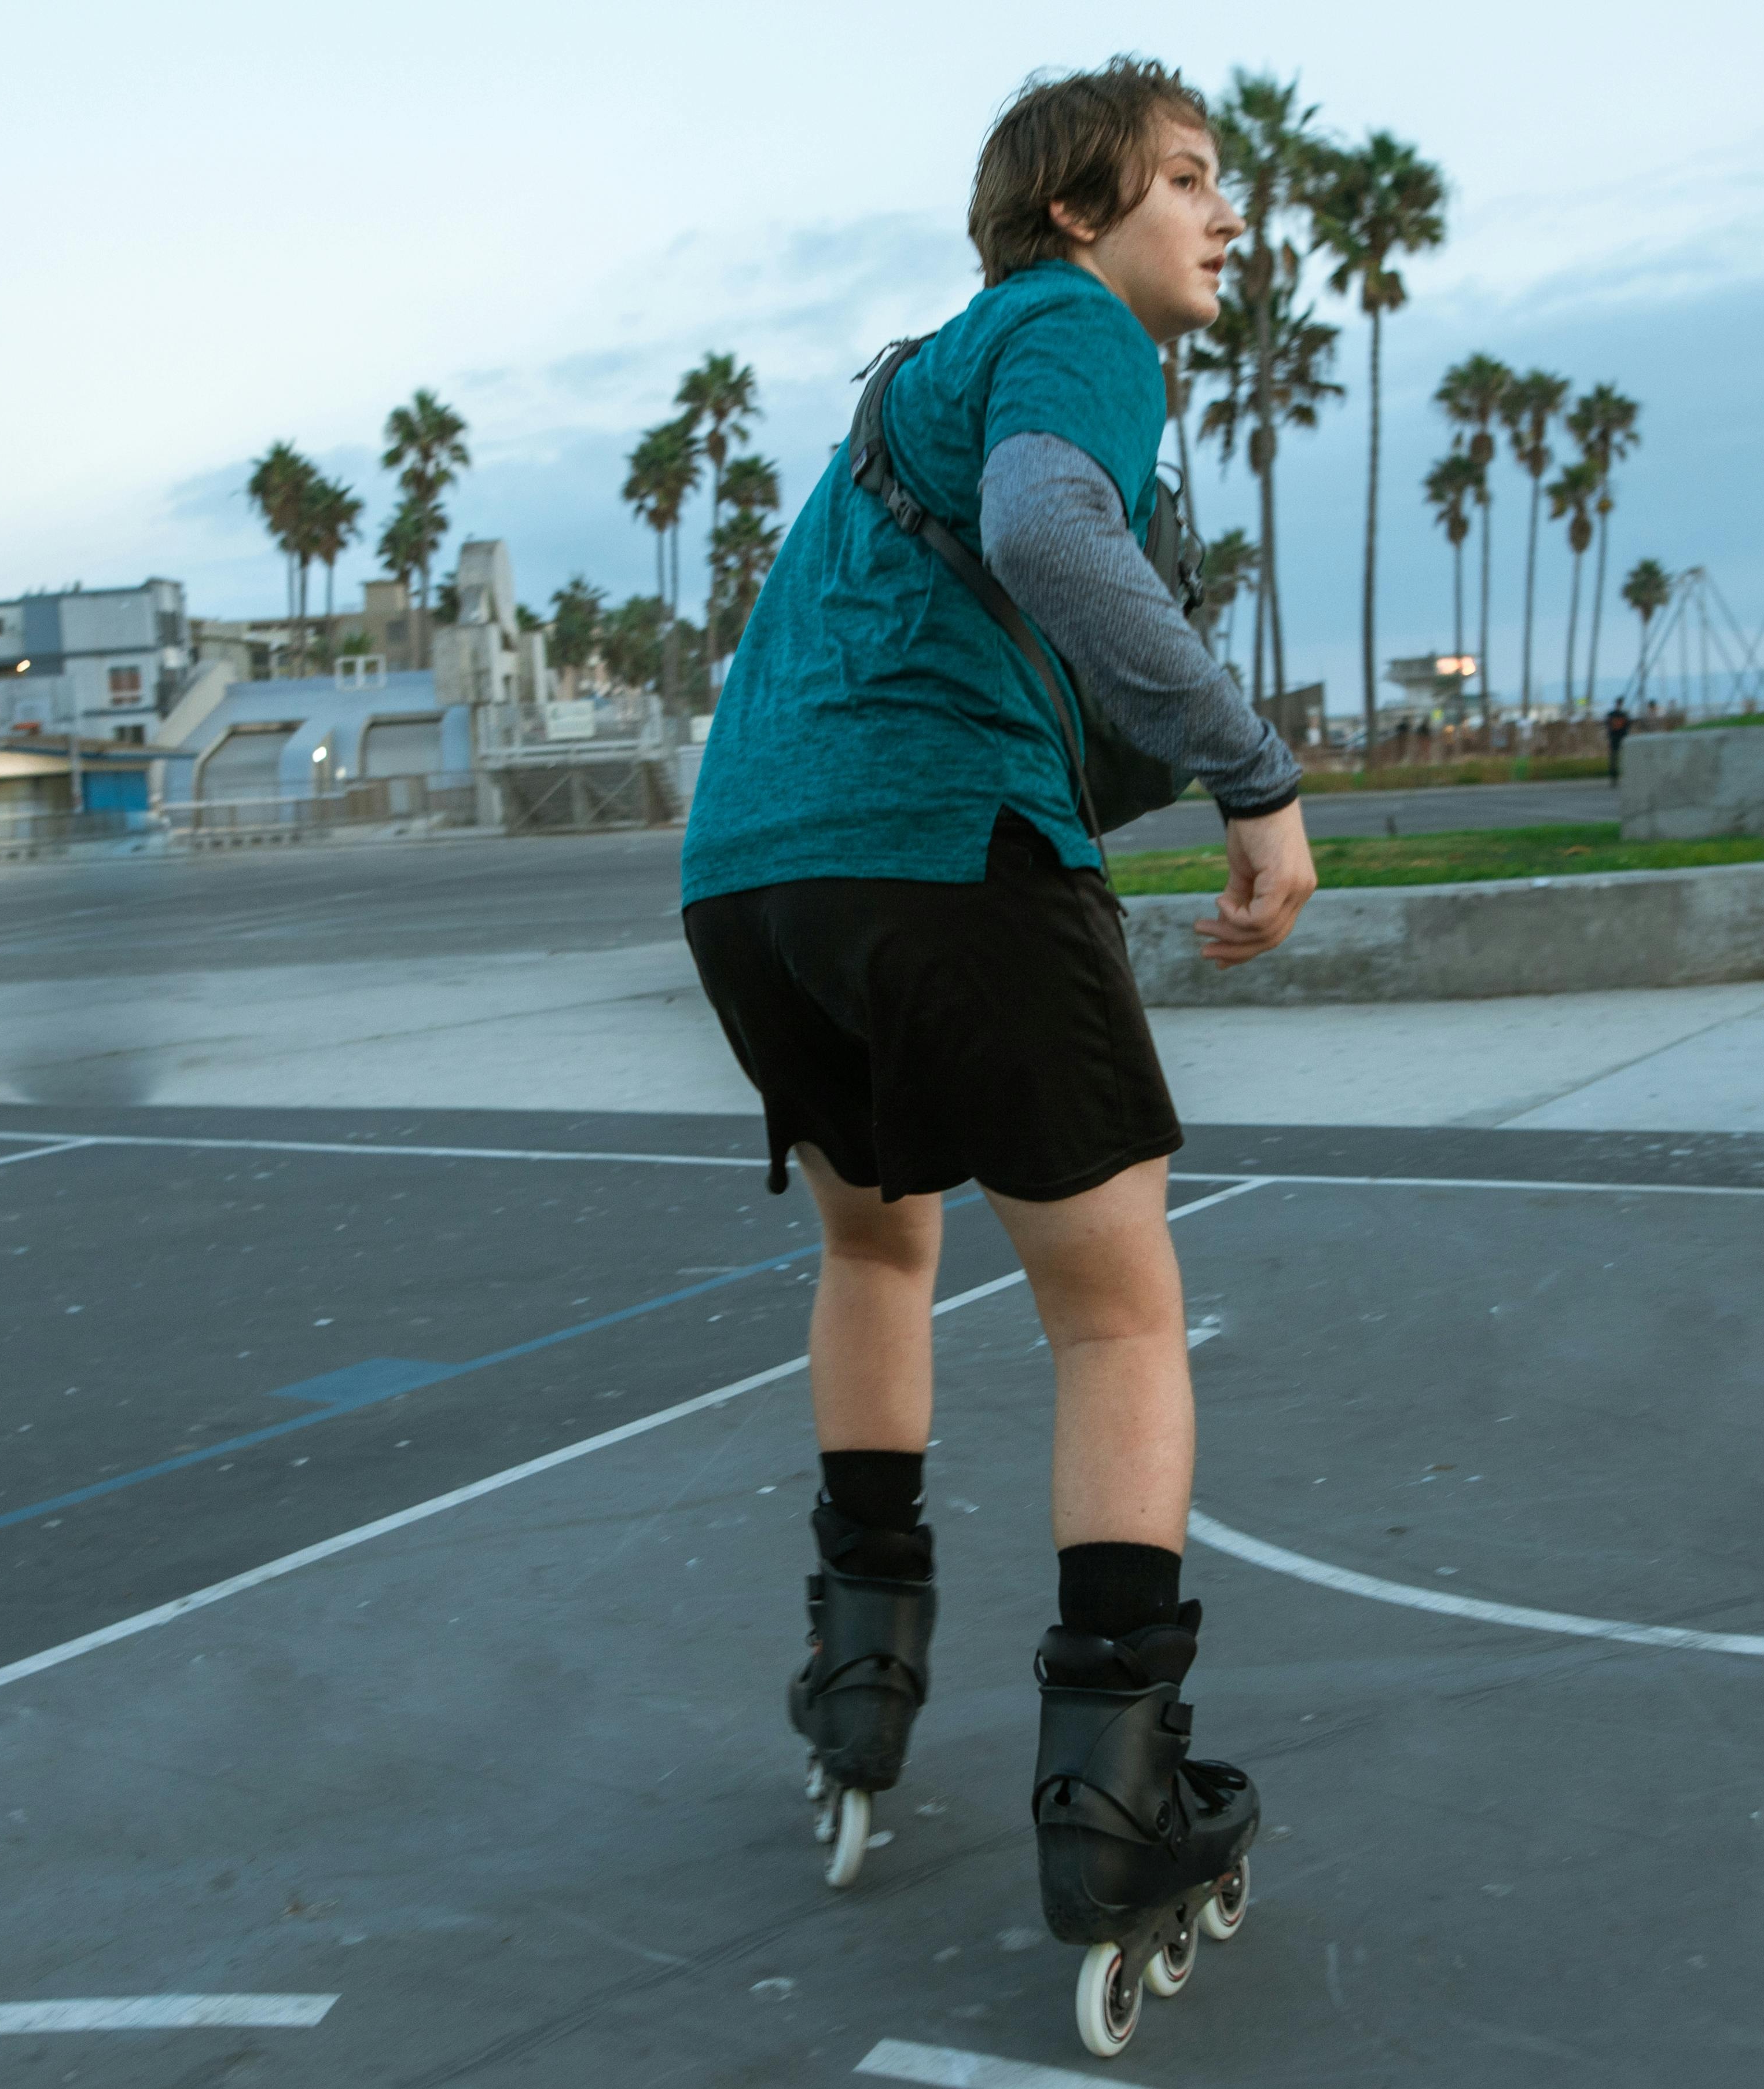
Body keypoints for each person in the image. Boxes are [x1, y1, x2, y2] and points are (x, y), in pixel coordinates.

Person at [675, 57, 1312, 2057]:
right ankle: (1115, 1793)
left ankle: (859, 1678)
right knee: (1116, 1315)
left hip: (751, 874)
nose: (1223, 214)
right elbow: (1048, 528)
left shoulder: (918, 381)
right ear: (1073, 213)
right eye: (1186, 178)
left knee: (877, 1248)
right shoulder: (1072, 329)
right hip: (939, 848)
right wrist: (1255, 776)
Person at [1603, 697, 1633, 782]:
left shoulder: (1623, 715)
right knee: (1614, 758)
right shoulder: (1612, 715)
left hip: (1621, 738)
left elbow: (1628, 726)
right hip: (1615, 738)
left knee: (1623, 757)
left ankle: (1623, 774)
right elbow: (1608, 726)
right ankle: (1614, 776)